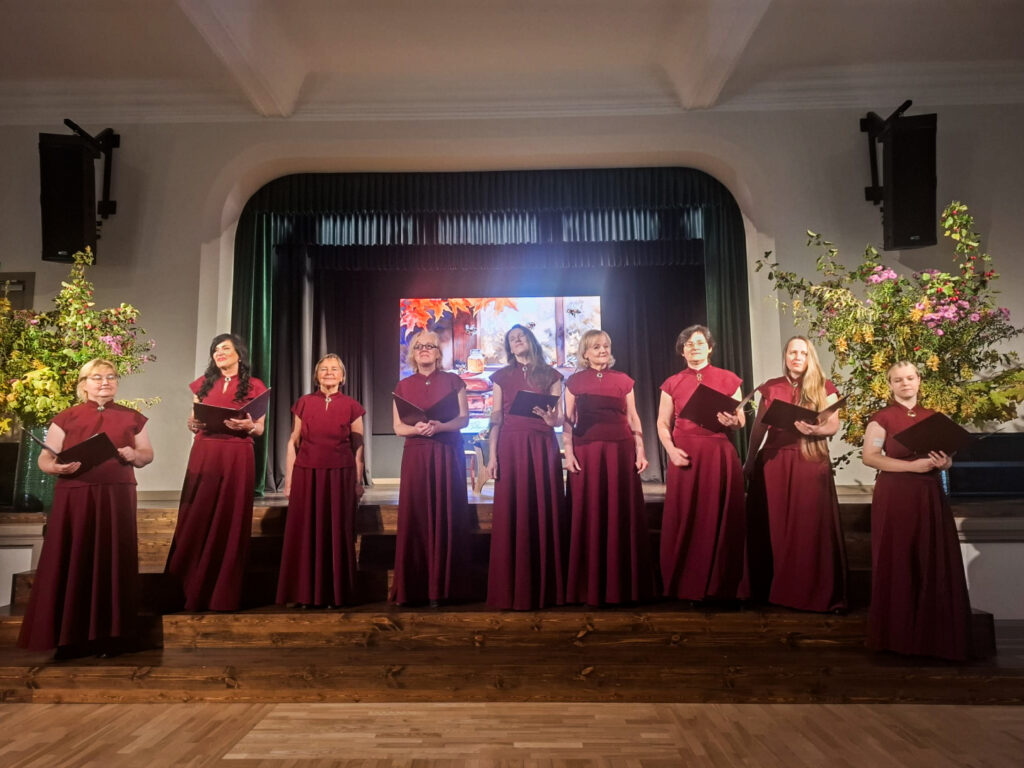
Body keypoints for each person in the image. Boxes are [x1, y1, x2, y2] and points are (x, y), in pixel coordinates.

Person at [18, 359, 153, 657]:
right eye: (97, 377)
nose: (105, 382)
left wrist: (134, 454)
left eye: (111, 377)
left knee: (112, 559)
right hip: (75, 494)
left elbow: (146, 454)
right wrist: (55, 467)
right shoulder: (66, 417)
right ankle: (70, 639)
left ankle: (112, 637)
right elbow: (45, 459)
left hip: (116, 495)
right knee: (74, 557)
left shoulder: (132, 417)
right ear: (84, 384)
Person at [861, 361, 971, 660]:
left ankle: (935, 639)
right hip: (896, 495)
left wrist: (945, 463)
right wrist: (911, 467)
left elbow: (947, 457)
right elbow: (870, 457)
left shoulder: (933, 417)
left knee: (931, 558)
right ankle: (898, 638)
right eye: (898, 380)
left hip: (928, 494)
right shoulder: (882, 418)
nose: (905, 383)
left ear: (919, 380)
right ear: (890, 385)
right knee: (899, 559)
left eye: (910, 378)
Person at [744, 336, 848, 612]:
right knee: (777, 527)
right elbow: (759, 428)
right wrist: (750, 459)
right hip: (775, 461)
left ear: (809, 357)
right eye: (792, 352)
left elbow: (833, 424)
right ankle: (775, 591)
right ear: (786, 356)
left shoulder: (824, 385)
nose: (797, 357)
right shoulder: (771, 387)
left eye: (802, 353)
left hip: (809, 461)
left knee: (808, 528)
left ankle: (811, 592)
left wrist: (816, 430)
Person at [165, 333, 267, 612]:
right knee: (196, 514)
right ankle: (187, 586)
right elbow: (194, 418)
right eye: (215, 350)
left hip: (237, 454)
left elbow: (259, 428)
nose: (219, 353)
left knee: (230, 516)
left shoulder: (255, 385)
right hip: (205, 452)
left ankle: (223, 592)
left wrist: (248, 426)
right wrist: (192, 423)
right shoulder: (203, 383)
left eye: (225, 348)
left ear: (239, 354)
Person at [657, 324, 748, 602]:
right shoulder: (672, 383)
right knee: (687, 515)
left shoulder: (728, 379)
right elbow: (662, 423)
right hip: (684, 455)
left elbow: (740, 421)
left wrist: (734, 421)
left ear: (709, 348)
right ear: (682, 351)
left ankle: (722, 584)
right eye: (688, 344)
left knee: (721, 516)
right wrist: (671, 451)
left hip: (718, 454)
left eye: (699, 343)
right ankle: (685, 584)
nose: (693, 347)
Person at [563, 330, 655, 606]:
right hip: (587, 451)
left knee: (620, 511)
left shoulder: (623, 380)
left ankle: (623, 585)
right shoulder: (575, 381)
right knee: (589, 511)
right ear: (585, 352)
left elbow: (633, 417)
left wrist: (641, 449)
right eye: (596, 347)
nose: (602, 350)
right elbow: (567, 420)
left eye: (605, 346)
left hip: (620, 450)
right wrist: (568, 452)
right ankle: (588, 586)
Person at [486, 324, 568, 610]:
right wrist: (492, 456)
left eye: (521, 336)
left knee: (543, 507)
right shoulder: (501, 376)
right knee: (512, 509)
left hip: (542, 444)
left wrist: (552, 420)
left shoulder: (551, 375)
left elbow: (559, 418)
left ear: (530, 340)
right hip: (510, 445)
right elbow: (496, 417)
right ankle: (511, 588)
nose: (517, 340)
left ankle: (547, 588)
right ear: (509, 347)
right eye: (512, 339)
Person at [276, 354, 365, 609]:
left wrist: (358, 481)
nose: (329, 372)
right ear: (316, 375)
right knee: (306, 533)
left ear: (342, 376)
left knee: (335, 532)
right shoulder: (304, 403)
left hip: (340, 475)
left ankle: (334, 594)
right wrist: (289, 481)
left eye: (334, 369)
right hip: (307, 475)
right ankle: (305, 594)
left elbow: (358, 446)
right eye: (324, 369)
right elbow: (293, 441)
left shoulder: (352, 406)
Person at [391, 330, 471, 606]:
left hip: (446, 452)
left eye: (430, 346)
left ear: (438, 353)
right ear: (413, 354)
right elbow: (398, 427)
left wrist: (440, 426)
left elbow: (463, 419)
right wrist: (416, 429)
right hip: (417, 455)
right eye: (418, 346)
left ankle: (447, 588)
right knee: (417, 514)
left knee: (448, 512)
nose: (424, 349)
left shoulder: (453, 381)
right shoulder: (403, 386)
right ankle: (415, 588)